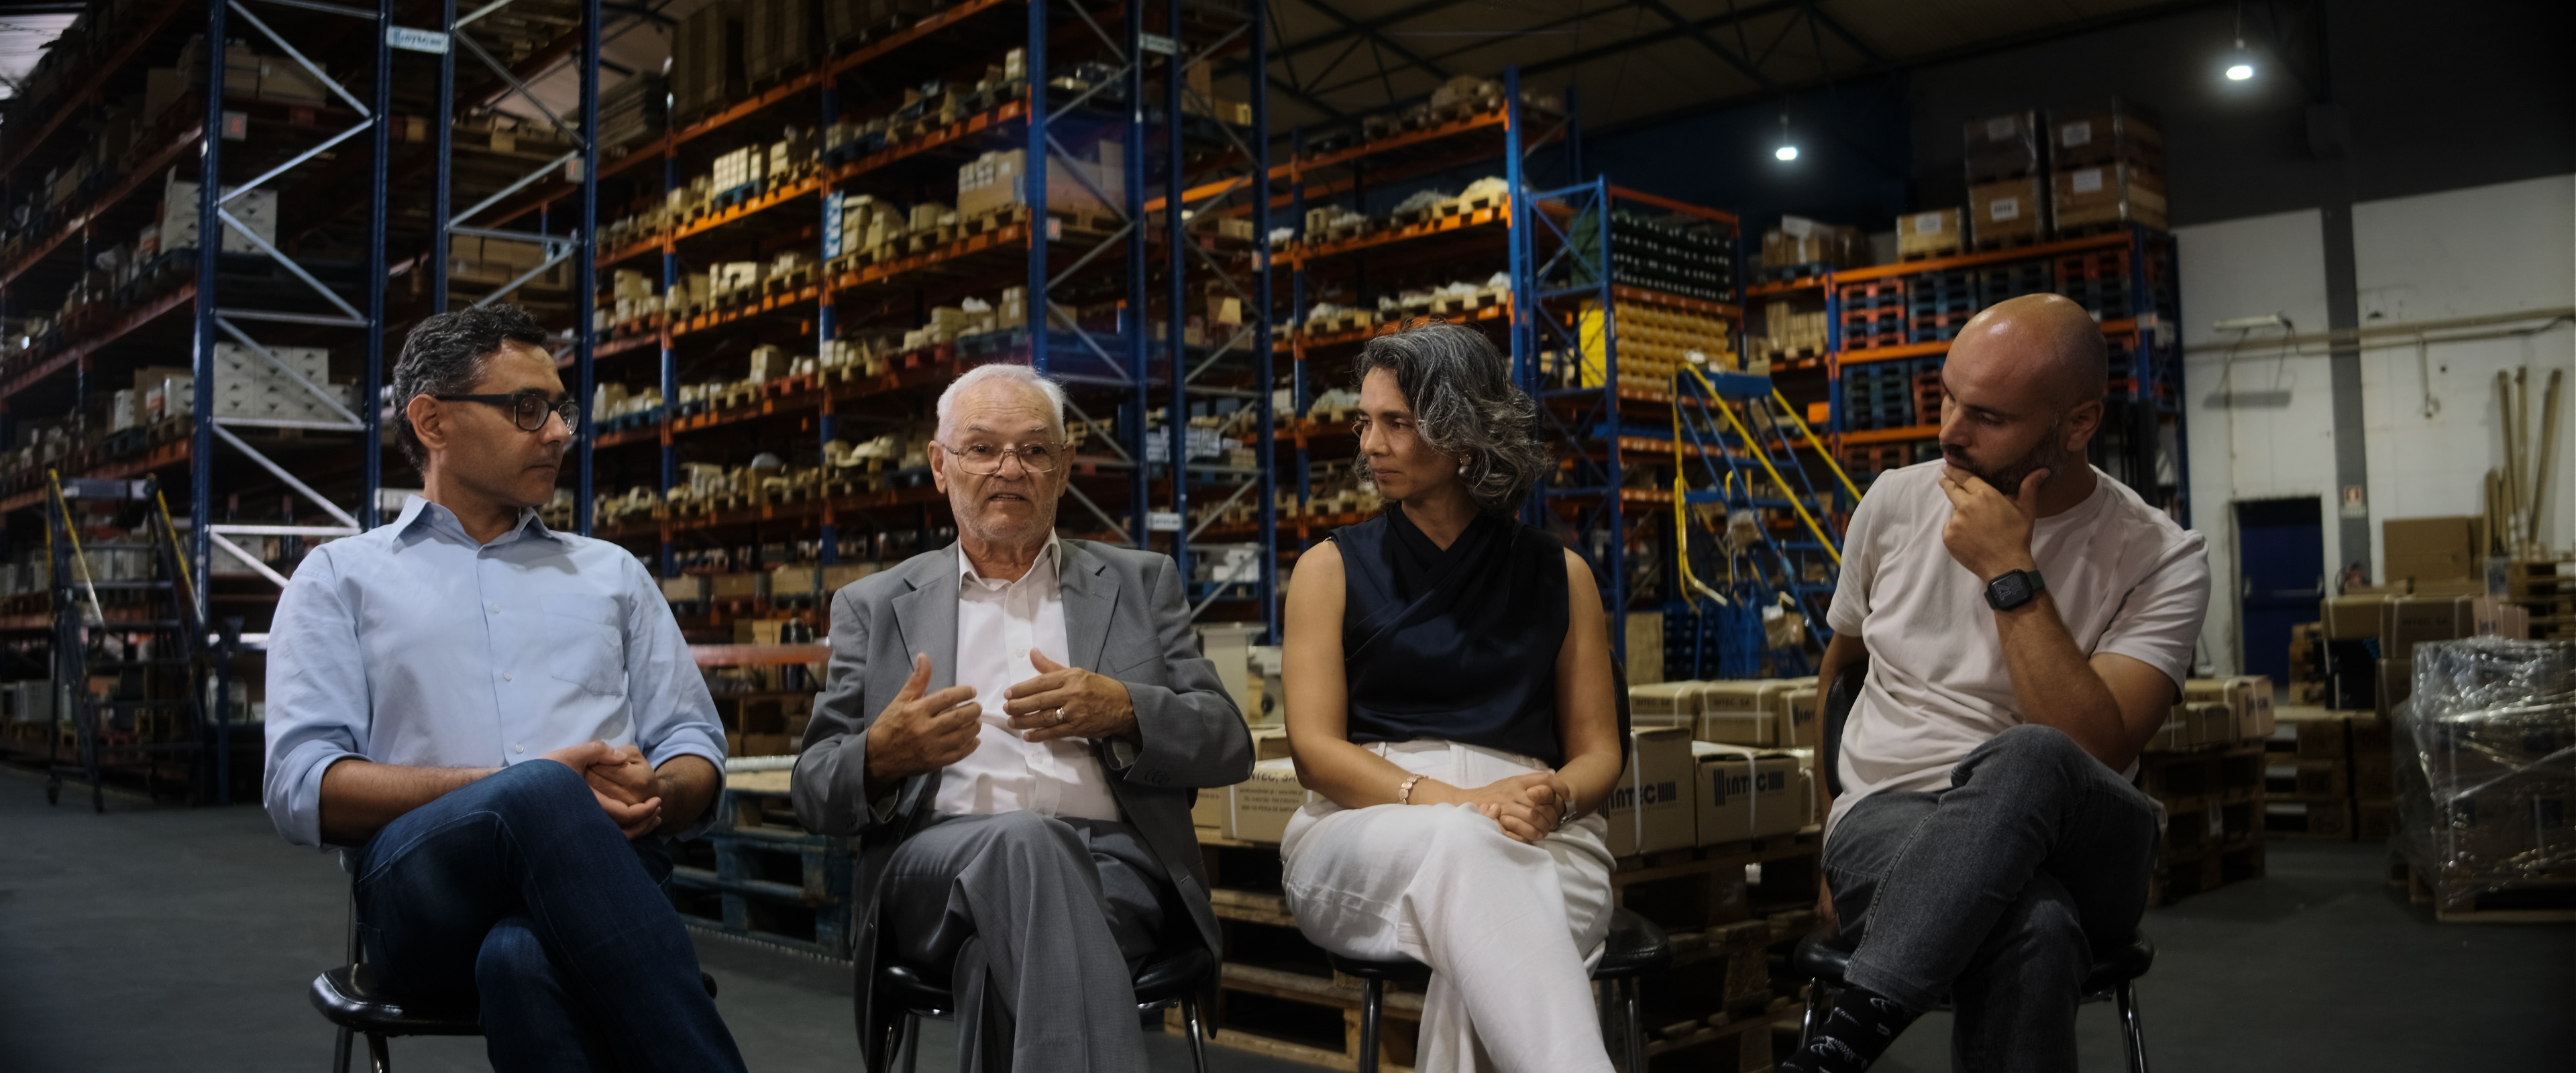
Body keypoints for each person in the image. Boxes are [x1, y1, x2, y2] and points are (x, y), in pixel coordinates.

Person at [263, 304, 747, 1073]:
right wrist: (519, 790)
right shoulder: (338, 579)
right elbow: (301, 786)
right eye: (527, 408)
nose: (557, 433)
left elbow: (696, 750)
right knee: (540, 792)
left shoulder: (612, 574)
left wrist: (655, 787)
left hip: (606, 881)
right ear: (432, 421)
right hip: (424, 898)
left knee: (520, 959)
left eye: (560, 410)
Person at [1778, 294, 2210, 1073]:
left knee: (2036, 752)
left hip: (2086, 838)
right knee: (2035, 929)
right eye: (1947, 398)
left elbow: (2096, 747)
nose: (1950, 431)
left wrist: (2010, 571)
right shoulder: (1894, 503)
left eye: (1987, 416)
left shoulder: (2162, 557)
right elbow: (1839, 671)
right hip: (1892, 816)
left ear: (2078, 424)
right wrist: (1825, 835)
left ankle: (1842, 1042)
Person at [790, 362, 1253, 1072]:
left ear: (1063, 470)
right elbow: (812, 789)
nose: (1010, 468)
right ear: (940, 466)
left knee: (992, 962)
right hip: (936, 868)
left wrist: (1125, 710)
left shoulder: (1139, 584)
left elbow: (1228, 743)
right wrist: (882, 755)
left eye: (1034, 450)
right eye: (982, 448)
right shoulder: (875, 606)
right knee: (1026, 841)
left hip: (1112, 866)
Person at [1279, 322, 1628, 1073]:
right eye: (1365, 422)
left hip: (1539, 832)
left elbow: (1601, 751)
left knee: (1482, 952)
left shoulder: (1561, 574)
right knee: (1477, 864)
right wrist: (1462, 806)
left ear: (1464, 433)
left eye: (1397, 424)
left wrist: (1555, 797)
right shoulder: (1327, 569)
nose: (1371, 444)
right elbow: (1314, 753)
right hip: (1366, 828)